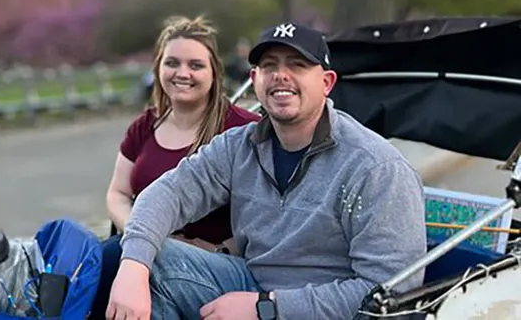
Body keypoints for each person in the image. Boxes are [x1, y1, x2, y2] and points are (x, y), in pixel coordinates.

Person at [106, 21, 428, 320]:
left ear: (327, 82)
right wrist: (133, 265)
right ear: (254, 81)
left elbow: (390, 291)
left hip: (321, 308)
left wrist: (267, 309)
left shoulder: (377, 168)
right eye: (269, 66)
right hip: (248, 282)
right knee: (147, 257)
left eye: (297, 65)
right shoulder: (239, 145)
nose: (280, 75)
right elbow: (168, 193)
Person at [91, 16, 261, 319]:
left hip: (216, 262)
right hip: (146, 250)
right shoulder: (144, 126)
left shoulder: (243, 130)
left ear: (214, 73)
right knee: (104, 258)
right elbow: (117, 193)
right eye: (172, 63)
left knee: (114, 256)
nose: (182, 73)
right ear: (158, 68)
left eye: (195, 65)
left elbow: (268, 215)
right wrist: (142, 235)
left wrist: (218, 249)